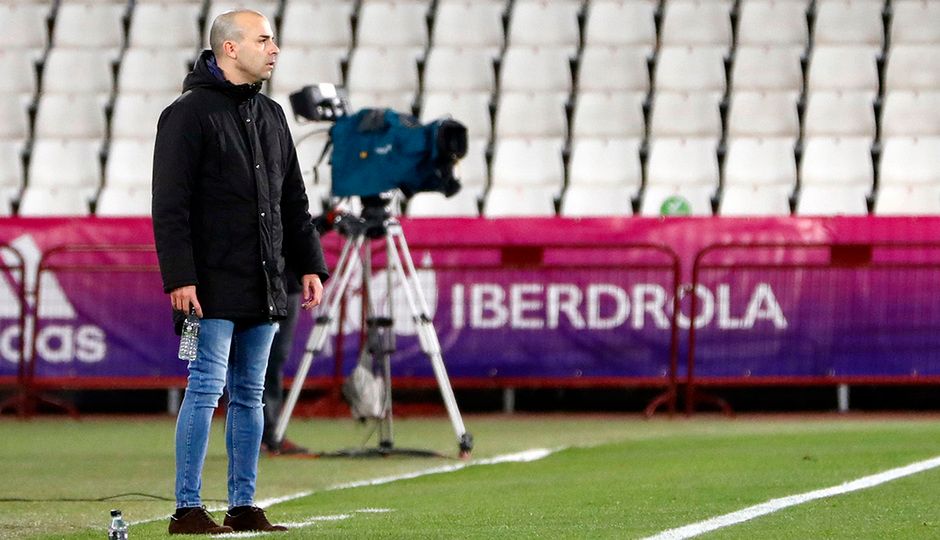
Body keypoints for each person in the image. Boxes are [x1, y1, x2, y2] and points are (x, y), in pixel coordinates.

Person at [152, 9, 328, 535]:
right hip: (208, 283)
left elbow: (292, 200)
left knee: (250, 393)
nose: (274, 49)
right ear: (231, 49)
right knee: (205, 387)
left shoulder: (272, 114)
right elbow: (170, 204)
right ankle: (187, 508)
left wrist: (309, 264)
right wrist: (180, 277)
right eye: (263, 40)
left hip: (265, 280)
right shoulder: (186, 114)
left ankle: (243, 504)